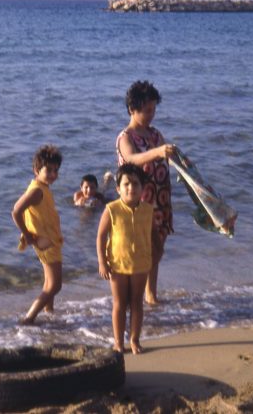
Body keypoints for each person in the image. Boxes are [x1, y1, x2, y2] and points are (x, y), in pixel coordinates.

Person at [116, 80, 175, 305]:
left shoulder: (154, 134)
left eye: (153, 110)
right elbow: (132, 159)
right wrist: (157, 152)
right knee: (140, 251)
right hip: (138, 202)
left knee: (157, 248)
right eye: (147, 110)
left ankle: (151, 294)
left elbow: (166, 157)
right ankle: (135, 296)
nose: (151, 114)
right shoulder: (126, 137)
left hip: (160, 199)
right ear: (133, 109)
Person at [97, 163, 155, 355]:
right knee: (120, 304)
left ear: (143, 188)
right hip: (117, 265)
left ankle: (135, 340)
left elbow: (152, 235)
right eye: (126, 184)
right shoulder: (111, 209)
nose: (131, 188)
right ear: (118, 188)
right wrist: (102, 262)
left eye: (136, 184)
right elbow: (100, 236)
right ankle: (118, 342)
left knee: (137, 302)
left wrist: (154, 255)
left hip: (141, 264)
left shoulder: (148, 210)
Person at [12, 145, 64, 325]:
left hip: (48, 239)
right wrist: (26, 234)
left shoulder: (42, 187)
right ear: (36, 170)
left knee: (49, 281)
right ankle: (29, 318)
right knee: (55, 285)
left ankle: (49, 312)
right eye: (48, 170)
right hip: (45, 242)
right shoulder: (37, 191)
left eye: (56, 170)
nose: (52, 174)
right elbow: (16, 211)